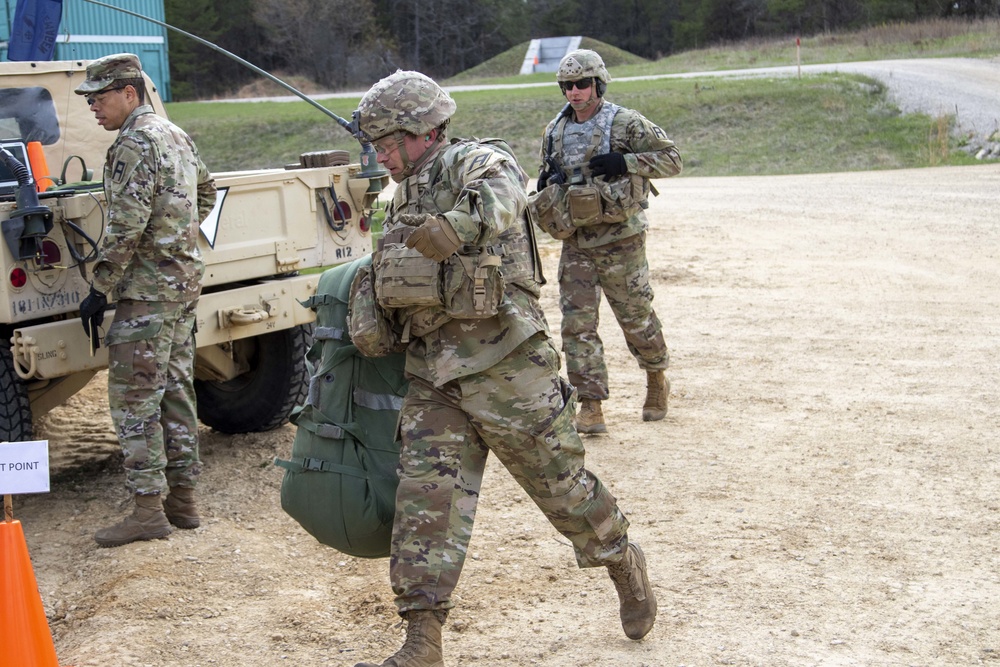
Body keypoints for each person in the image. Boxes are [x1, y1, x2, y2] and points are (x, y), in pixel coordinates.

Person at [351, 70, 656, 667]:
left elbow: (504, 196)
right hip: (434, 374)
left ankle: (620, 557)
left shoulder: (478, 161)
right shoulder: (403, 190)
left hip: (508, 366)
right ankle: (421, 643)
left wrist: (454, 229)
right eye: (376, 143)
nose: (381, 153)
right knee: (425, 504)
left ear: (425, 131)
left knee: (562, 490)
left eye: (389, 140)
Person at [74, 53, 216, 548]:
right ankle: (183, 502)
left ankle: (147, 511)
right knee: (175, 388)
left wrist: (100, 286)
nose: (93, 105)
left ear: (130, 92)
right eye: (89, 98)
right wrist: (176, 239)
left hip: (148, 294)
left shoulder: (133, 143)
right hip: (181, 286)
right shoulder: (174, 134)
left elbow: (125, 227)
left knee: (134, 399)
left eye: (100, 95)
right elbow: (206, 192)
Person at [531, 49, 683, 435]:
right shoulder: (555, 130)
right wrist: (547, 187)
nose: (574, 92)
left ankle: (655, 377)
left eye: (582, 84)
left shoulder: (625, 123)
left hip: (621, 239)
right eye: (567, 85)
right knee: (577, 325)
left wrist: (626, 163)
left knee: (635, 317)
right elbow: (546, 175)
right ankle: (591, 403)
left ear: (598, 83)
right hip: (577, 239)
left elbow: (672, 159)